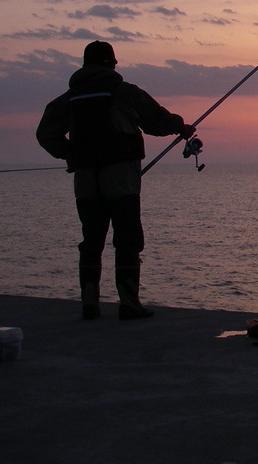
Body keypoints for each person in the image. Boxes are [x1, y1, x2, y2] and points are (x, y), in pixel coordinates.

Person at [36, 41, 195, 320]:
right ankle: (129, 303)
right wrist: (180, 127)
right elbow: (156, 121)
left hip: (86, 182)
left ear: (85, 65)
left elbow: (45, 133)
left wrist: (69, 155)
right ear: (112, 64)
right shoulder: (125, 92)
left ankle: (89, 302)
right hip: (121, 180)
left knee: (91, 240)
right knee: (128, 239)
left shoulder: (68, 99)